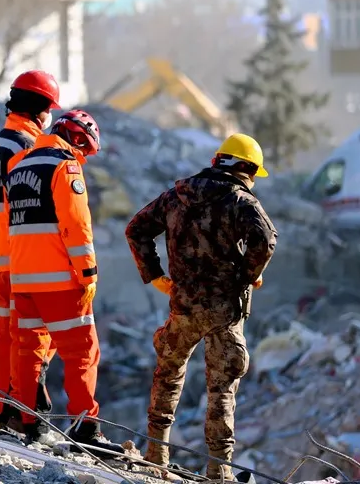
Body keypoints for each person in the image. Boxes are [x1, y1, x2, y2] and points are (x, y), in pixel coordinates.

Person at [124, 133, 278, 481]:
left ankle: (155, 458)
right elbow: (266, 241)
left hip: (183, 307)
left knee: (167, 375)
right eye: (254, 174)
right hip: (225, 311)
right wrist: (248, 275)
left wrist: (156, 276)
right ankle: (217, 472)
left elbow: (136, 229)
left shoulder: (177, 195)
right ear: (245, 168)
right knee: (221, 390)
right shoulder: (241, 201)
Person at [6, 109, 123, 456]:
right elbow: (76, 225)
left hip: (23, 279)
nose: (83, 157)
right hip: (59, 279)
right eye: (84, 149)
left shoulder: (17, 167)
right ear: (76, 138)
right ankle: (86, 427)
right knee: (83, 353)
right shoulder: (65, 166)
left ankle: (32, 422)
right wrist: (88, 273)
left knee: (29, 351)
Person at [0, 71, 61, 430]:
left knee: (5, 338)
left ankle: (1, 411)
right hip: (24, 261)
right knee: (35, 339)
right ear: (41, 110)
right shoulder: (26, 149)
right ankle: (26, 412)